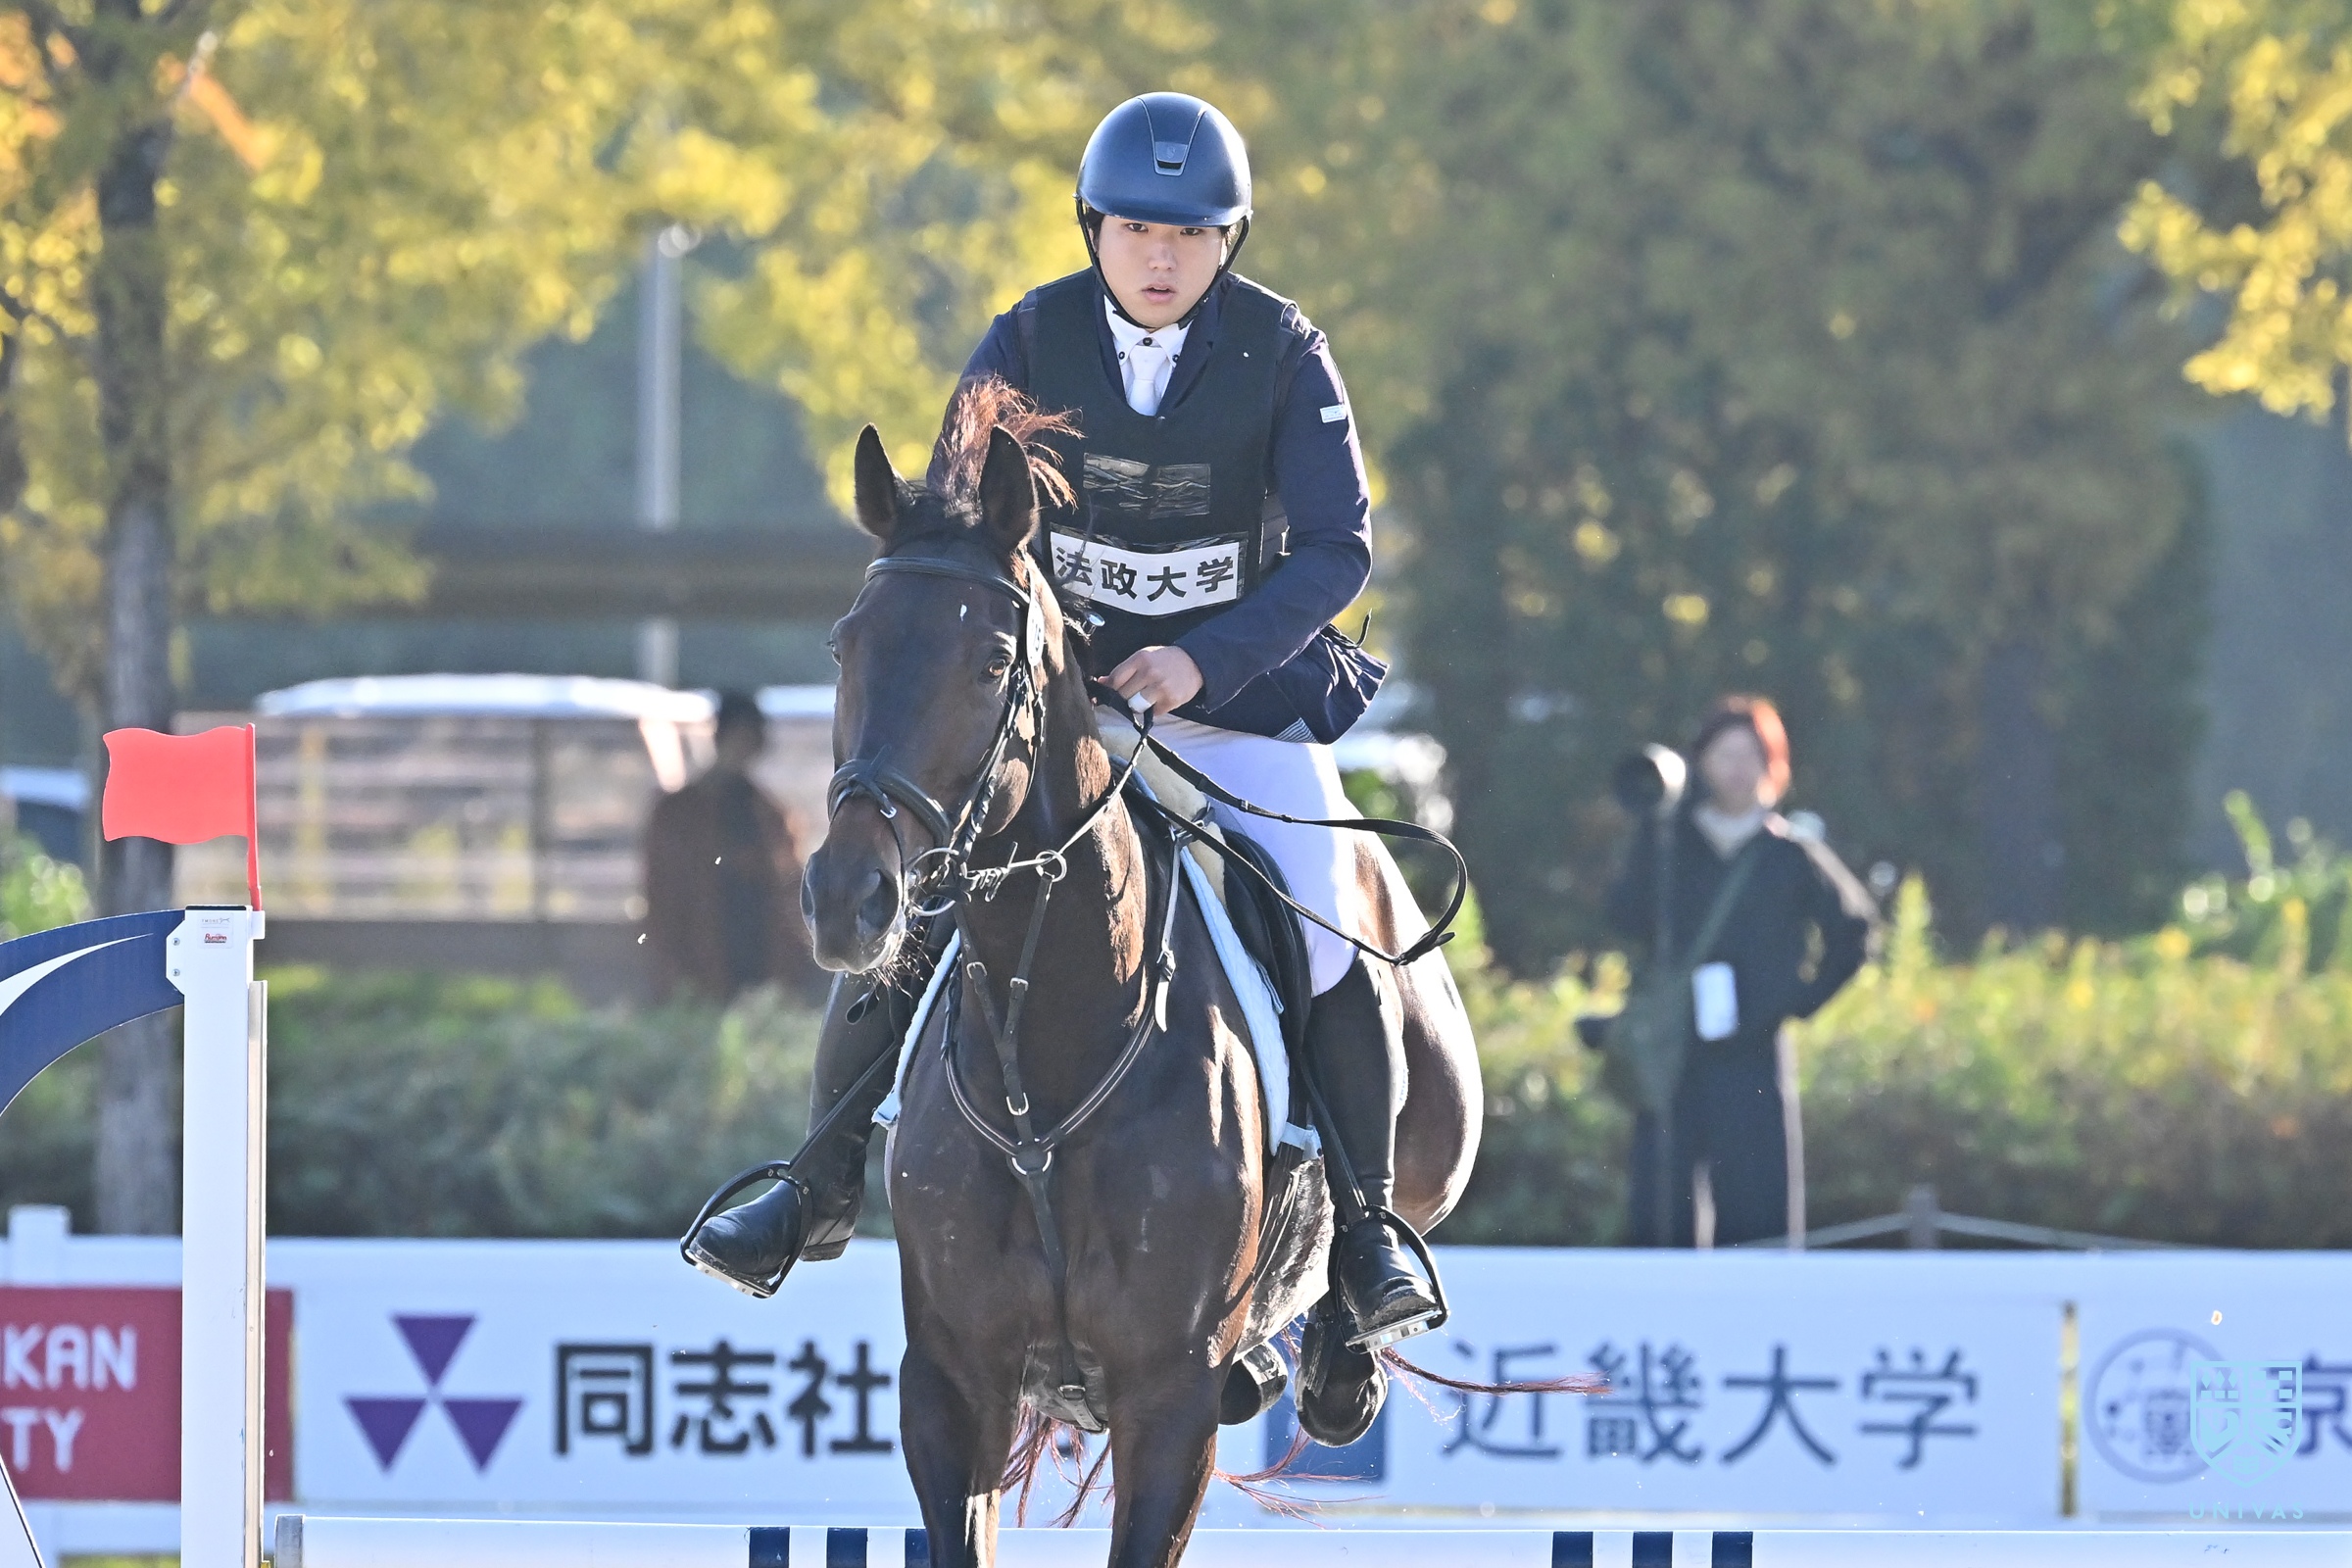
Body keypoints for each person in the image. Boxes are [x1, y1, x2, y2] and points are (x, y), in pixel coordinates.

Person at [688, 92, 1443, 1348]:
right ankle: (814, 1179)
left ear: (1228, 241)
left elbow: (1337, 552)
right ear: (1095, 228)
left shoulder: (1283, 351)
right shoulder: (1027, 340)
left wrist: (1199, 661)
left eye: (1190, 234)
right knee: (929, 894)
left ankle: (1362, 1231)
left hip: (1237, 709)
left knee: (1324, 918)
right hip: (1055, 717)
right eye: (1137, 229)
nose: (1162, 257)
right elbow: (952, 530)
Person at [1605, 696, 1877, 1248]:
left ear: (1772, 764)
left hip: (1752, 1050)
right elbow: (1624, 918)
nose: (1737, 768)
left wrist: (1797, 1001)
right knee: (1660, 1214)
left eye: (1751, 755)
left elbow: (1855, 930)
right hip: (1673, 1051)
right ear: (1702, 762)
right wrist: (1653, 830)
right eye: (1725, 755)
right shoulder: (1672, 843)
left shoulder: (1789, 852)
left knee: (1758, 1218)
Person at [642, 691, 818, 1004]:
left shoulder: (771, 814)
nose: (747, 748)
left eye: (753, 740)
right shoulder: (678, 814)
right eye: (742, 738)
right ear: (722, 737)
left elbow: (789, 885)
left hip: (760, 955)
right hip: (699, 960)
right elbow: (664, 895)